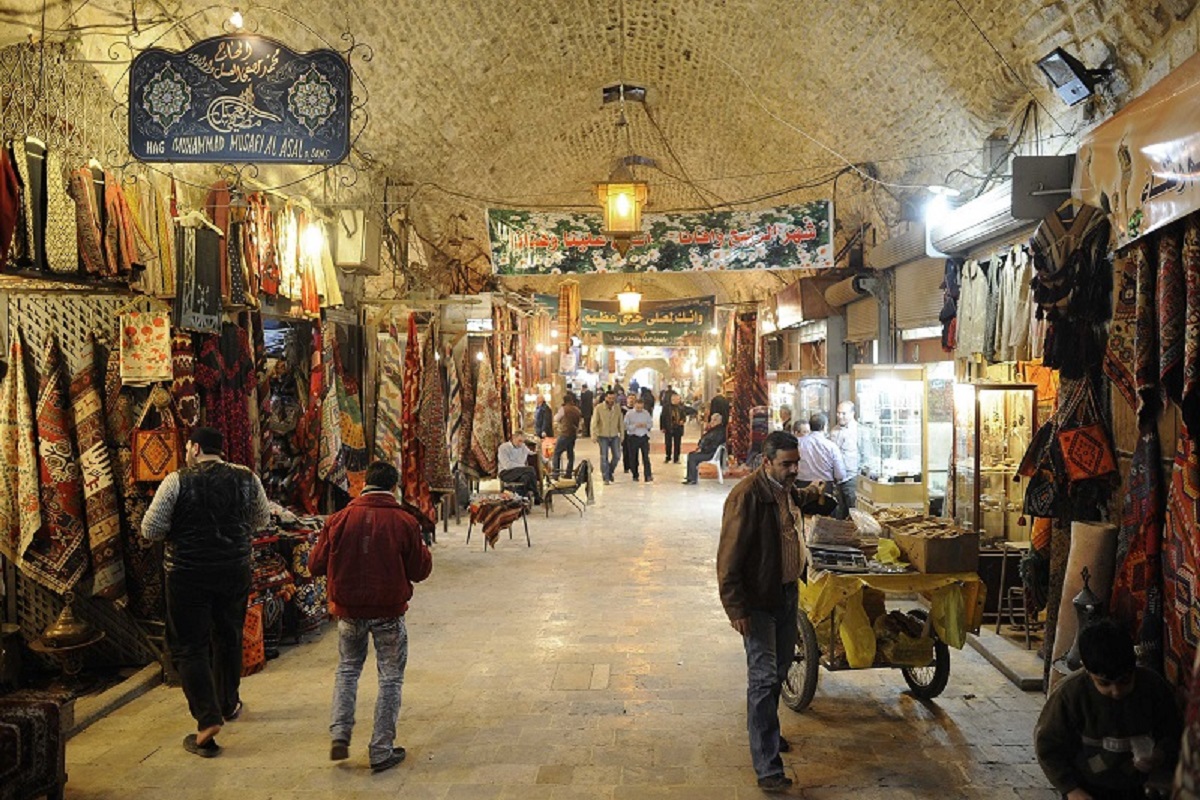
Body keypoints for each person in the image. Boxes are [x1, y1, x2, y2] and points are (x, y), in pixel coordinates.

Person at [141, 427, 271, 758]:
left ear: (195, 448)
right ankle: (228, 704)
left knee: (189, 646)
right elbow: (261, 520)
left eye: (187, 446)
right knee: (228, 635)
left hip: (188, 573)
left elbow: (151, 529)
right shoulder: (246, 478)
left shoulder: (176, 481)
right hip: (233, 569)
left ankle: (207, 720)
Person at [717, 431, 827, 793]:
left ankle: (768, 734)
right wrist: (736, 607)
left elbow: (798, 501)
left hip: (787, 593)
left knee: (779, 669)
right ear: (767, 463)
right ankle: (767, 766)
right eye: (786, 464)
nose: (794, 469)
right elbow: (729, 558)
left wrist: (817, 495)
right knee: (764, 678)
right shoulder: (746, 497)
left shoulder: (785, 489)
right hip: (758, 601)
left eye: (796, 462)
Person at [310, 461, 433, 774]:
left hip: (349, 612)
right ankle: (381, 749)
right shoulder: (404, 522)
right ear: (393, 488)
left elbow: (315, 564)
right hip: (389, 612)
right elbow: (420, 571)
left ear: (364, 483)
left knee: (348, 670)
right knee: (390, 677)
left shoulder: (338, 520)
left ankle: (339, 733)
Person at [1035, 619, 1182, 800]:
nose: (1116, 691)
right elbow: (1048, 747)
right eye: (1104, 684)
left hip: (1138, 787)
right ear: (1087, 670)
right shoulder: (1070, 694)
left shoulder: (1152, 687)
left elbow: (1172, 731)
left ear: (1134, 664)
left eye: (1124, 681)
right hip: (1087, 787)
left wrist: (1159, 755)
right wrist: (1071, 789)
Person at [796, 412, 848, 517]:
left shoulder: (798, 443)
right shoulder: (831, 446)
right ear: (825, 427)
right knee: (824, 524)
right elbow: (840, 475)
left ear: (810, 426)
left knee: (802, 519)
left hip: (801, 487)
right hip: (825, 489)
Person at [829, 401, 862, 515]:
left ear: (852, 413)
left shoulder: (859, 431)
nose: (840, 416)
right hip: (837, 480)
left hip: (852, 478)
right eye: (838, 413)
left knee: (854, 513)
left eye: (843, 413)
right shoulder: (834, 430)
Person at [497, 430, 541, 504]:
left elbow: (533, 454)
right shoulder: (503, 447)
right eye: (519, 441)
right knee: (530, 469)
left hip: (520, 472)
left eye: (522, 441)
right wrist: (523, 467)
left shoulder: (523, 446)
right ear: (513, 438)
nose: (520, 443)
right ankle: (536, 495)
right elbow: (507, 465)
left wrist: (546, 461)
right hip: (506, 472)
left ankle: (521, 499)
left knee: (526, 477)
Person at [592, 389, 625, 485]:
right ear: (606, 397)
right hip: (603, 436)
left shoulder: (617, 408)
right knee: (604, 457)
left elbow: (621, 422)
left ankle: (610, 471)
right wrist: (594, 434)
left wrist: (622, 434)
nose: (611, 400)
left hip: (614, 435)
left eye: (613, 398)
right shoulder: (599, 408)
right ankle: (605, 477)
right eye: (609, 398)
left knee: (617, 456)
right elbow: (594, 422)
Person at [683, 413, 727, 485]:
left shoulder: (719, 432)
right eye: (711, 420)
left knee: (692, 457)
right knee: (691, 454)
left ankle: (692, 479)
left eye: (714, 420)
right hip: (708, 451)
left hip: (710, 453)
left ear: (719, 421)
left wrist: (702, 449)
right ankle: (690, 476)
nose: (712, 422)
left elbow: (713, 445)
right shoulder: (714, 430)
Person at [551, 394, 582, 478]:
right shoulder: (576, 409)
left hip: (564, 433)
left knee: (556, 453)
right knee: (570, 453)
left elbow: (556, 419)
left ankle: (555, 473)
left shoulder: (563, 409)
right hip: (573, 434)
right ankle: (568, 473)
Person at [624, 397, 654, 482]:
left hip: (644, 437)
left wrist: (646, 425)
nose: (639, 409)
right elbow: (625, 426)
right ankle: (635, 475)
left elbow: (650, 424)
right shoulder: (629, 414)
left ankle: (648, 475)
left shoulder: (646, 413)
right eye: (637, 408)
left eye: (641, 408)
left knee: (646, 457)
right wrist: (635, 426)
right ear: (634, 405)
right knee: (633, 457)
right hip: (633, 437)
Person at [663, 392, 686, 464]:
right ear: (671, 399)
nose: (676, 401)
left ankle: (676, 458)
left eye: (677, 399)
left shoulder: (681, 407)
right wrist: (663, 427)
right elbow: (662, 417)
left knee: (677, 444)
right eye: (674, 399)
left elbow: (684, 416)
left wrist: (682, 420)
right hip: (668, 427)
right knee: (668, 443)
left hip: (678, 428)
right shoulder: (666, 407)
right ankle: (668, 457)